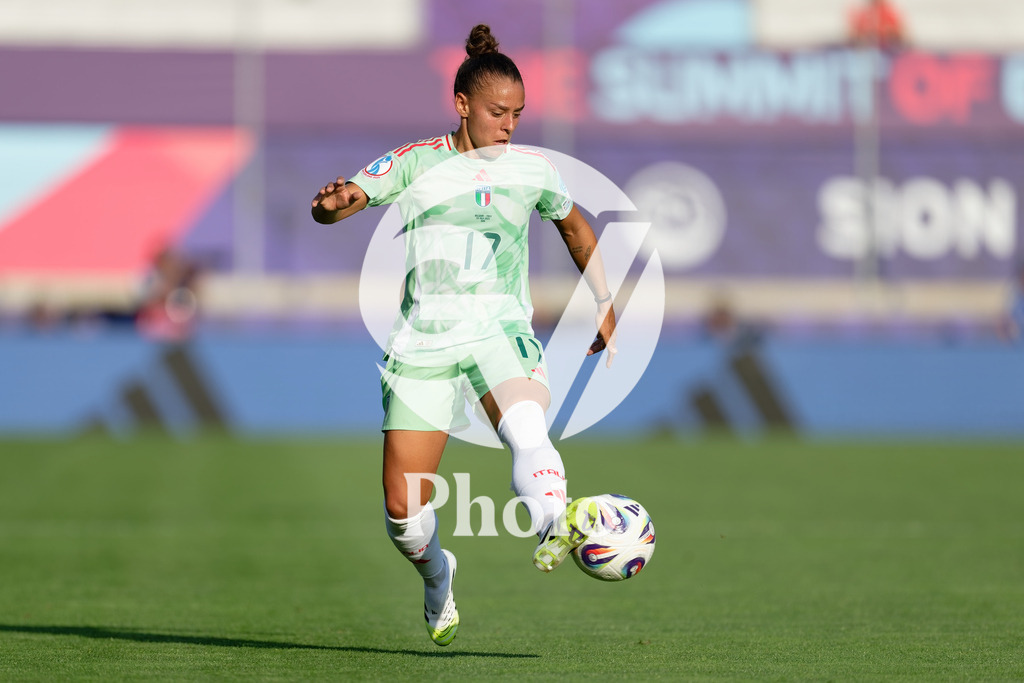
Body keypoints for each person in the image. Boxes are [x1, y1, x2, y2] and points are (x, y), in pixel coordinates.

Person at [310, 24, 617, 647]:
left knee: (527, 426)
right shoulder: (416, 161)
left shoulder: (532, 170)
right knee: (405, 517)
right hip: (424, 343)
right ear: (462, 106)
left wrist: (605, 298)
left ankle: (556, 522)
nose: (509, 125)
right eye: (497, 112)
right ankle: (438, 576)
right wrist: (333, 203)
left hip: (500, 327)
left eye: (518, 114)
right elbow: (346, 198)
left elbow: (575, 227)